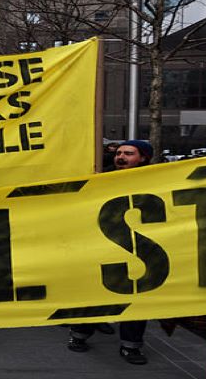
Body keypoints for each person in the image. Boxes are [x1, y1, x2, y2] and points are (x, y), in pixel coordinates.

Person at [67, 139, 153, 365]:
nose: (121, 157)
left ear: (143, 158)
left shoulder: (156, 180)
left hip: (139, 250)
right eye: (119, 153)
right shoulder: (102, 178)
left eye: (128, 153)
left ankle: (131, 346)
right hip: (104, 247)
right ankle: (79, 334)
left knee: (137, 298)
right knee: (95, 293)